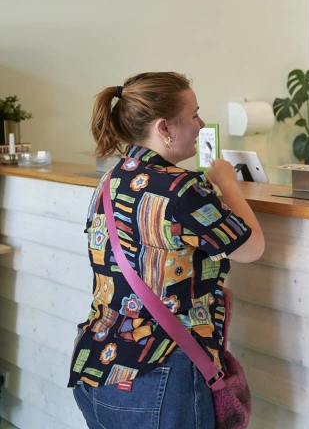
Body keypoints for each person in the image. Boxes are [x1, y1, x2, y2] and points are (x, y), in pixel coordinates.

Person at [68, 72, 265, 429]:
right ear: (164, 128)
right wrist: (225, 182)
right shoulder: (182, 187)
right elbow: (251, 248)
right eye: (194, 115)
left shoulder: (110, 178)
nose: (201, 124)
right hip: (159, 373)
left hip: (96, 366)